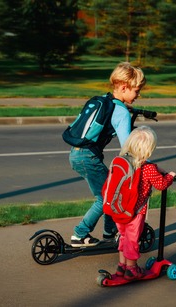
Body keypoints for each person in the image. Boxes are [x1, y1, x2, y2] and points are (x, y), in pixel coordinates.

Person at [69, 62, 147, 247]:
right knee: (106, 197)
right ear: (124, 87)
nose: (138, 95)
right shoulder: (121, 112)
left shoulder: (106, 100)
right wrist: (144, 161)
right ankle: (80, 234)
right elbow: (127, 147)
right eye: (136, 90)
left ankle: (110, 232)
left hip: (77, 153)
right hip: (88, 157)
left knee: (110, 192)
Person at [114, 126, 176, 280]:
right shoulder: (147, 168)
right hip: (135, 213)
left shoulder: (122, 161)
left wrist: (156, 167)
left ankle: (122, 266)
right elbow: (161, 184)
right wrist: (170, 176)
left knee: (123, 237)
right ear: (148, 150)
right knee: (133, 241)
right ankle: (132, 269)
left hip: (118, 209)